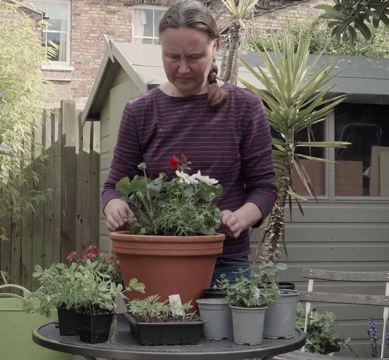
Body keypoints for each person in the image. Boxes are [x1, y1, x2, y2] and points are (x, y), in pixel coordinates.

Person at [101, 0, 277, 284]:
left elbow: (265, 187)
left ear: (215, 46)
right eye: (172, 57)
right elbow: (113, 186)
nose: (183, 68)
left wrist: (240, 217)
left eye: (194, 57)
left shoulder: (245, 108)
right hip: (154, 260)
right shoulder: (140, 111)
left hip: (225, 263)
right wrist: (114, 206)